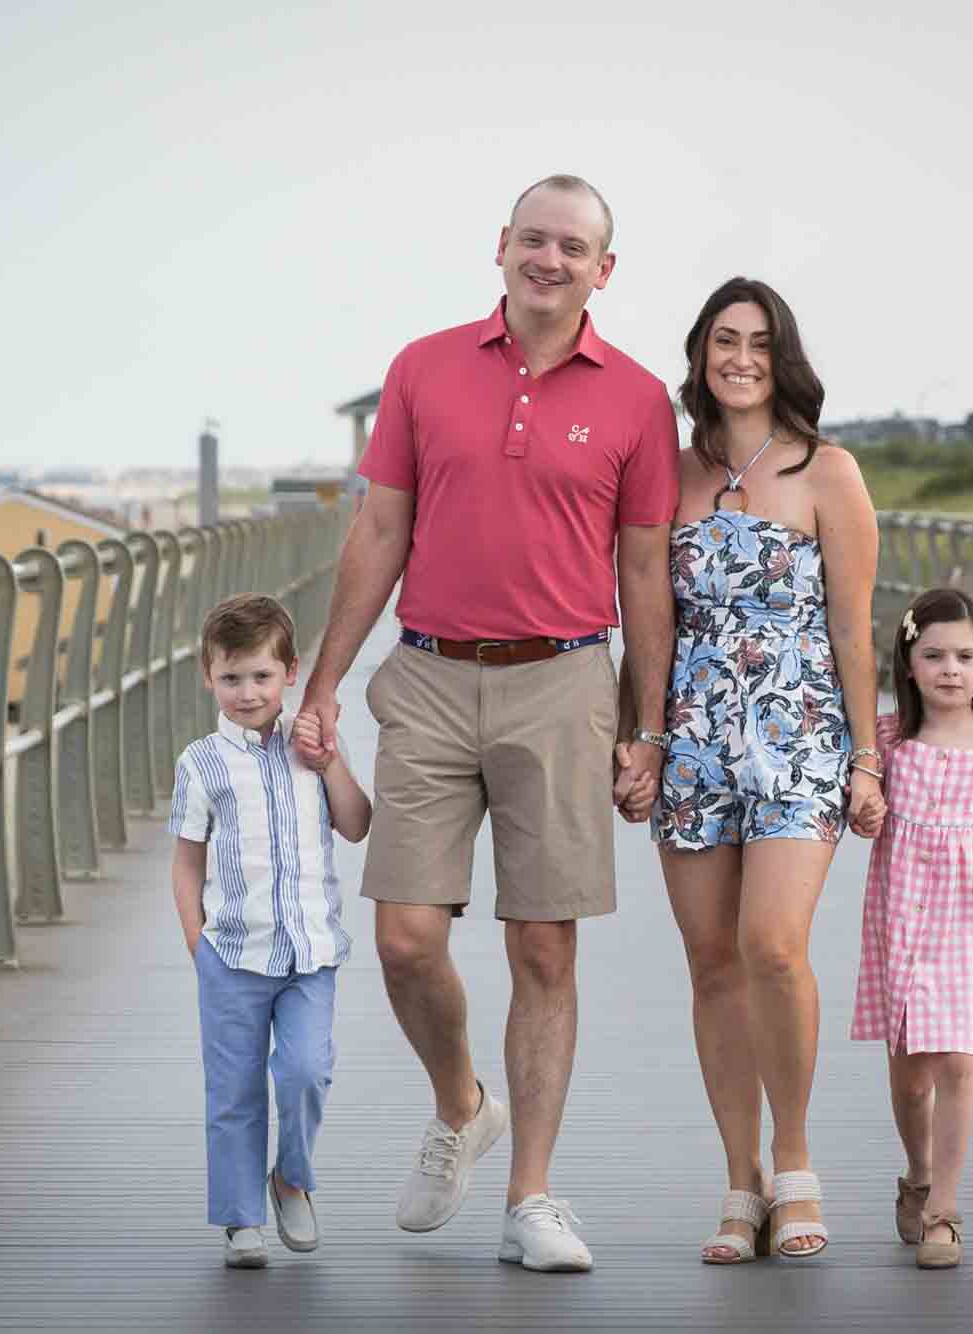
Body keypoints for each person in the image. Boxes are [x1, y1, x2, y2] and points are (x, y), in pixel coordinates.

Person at [294, 173, 679, 1273]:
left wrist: (644, 723)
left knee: (541, 944)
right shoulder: (421, 367)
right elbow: (377, 530)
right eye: (533, 238)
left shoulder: (640, 399)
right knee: (405, 937)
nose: (547, 259)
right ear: (500, 245)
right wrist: (321, 684)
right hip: (424, 672)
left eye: (573, 246)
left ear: (603, 270)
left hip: (562, 682)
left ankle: (532, 1195)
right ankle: (462, 1101)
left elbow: (643, 568)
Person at [630, 276, 883, 1263]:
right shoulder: (668, 472)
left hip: (800, 740)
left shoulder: (828, 472)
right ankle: (737, 1180)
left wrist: (865, 760)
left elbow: (853, 630)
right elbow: (645, 618)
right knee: (711, 963)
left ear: (783, 362)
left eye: (759, 344)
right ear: (699, 352)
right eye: (723, 340)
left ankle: (793, 1159)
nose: (739, 358)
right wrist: (638, 735)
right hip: (691, 741)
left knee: (772, 945)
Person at [851, 587, 973, 1269]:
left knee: (959, 1065)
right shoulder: (886, 742)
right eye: (932, 654)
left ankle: (944, 1210)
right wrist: (867, 809)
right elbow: (863, 814)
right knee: (911, 1076)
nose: (949, 668)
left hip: (972, 922)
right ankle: (918, 1174)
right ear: (907, 664)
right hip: (901, 918)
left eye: (964, 655)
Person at [169, 594, 372, 1269]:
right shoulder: (201, 764)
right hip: (231, 954)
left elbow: (356, 823)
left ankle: (291, 1177)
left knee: (307, 1072)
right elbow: (187, 860)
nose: (247, 692)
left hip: (309, 953)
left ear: (290, 673)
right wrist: (197, 942)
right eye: (231, 678)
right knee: (233, 1090)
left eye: (261, 676)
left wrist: (331, 761)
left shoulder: (308, 749)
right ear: (208, 677)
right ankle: (240, 1218)